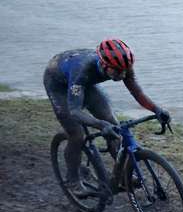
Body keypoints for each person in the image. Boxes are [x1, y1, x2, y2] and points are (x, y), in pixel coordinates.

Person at [43, 38, 170, 196]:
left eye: (125, 70)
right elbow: (75, 111)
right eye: (117, 71)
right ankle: (73, 181)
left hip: (85, 84)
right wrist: (100, 125)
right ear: (103, 64)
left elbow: (137, 92)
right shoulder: (83, 69)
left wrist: (156, 109)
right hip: (58, 85)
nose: (122, 74)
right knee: (76, 134)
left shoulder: (124, 65)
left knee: (114, 124)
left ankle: (123, 175)